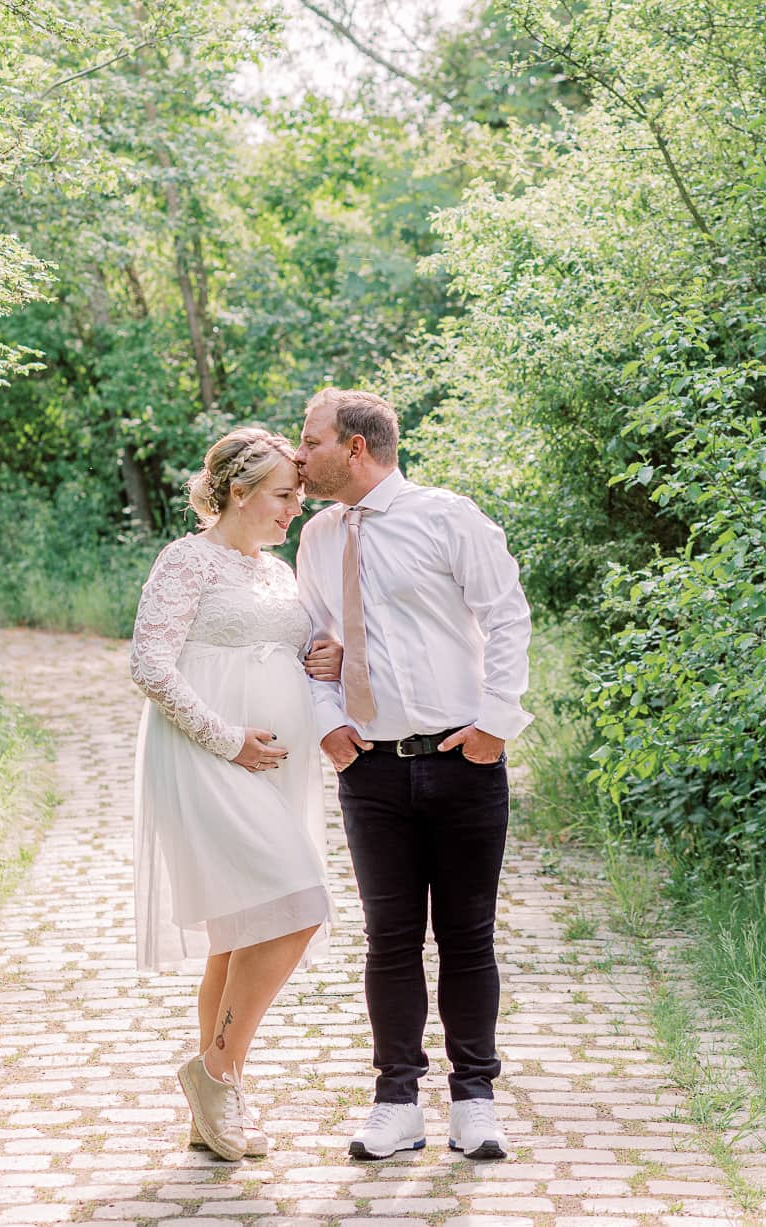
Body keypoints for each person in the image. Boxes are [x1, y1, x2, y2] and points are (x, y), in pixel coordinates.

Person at [295, 388, 531, 1164]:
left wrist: (496, 723)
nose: (301, 456)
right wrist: (327, 722)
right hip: (370, 769)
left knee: (468, 937)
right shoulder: (319, 537)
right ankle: (396, 1101)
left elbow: (506, 615)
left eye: (311, 440)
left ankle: (475, 1101)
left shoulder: (447, 516)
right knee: (388, 940)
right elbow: (313, 640)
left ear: (355, 447)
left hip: (461, 760)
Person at [128, 427, 341, 1162]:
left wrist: (323, 653)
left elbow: (298, 648)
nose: (294, 509)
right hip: (205, 754)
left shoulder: (278, 573)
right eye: (284, 495)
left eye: (299, 495)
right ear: (240, 491)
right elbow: (150, 663)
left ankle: (218, 1101)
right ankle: (214, 1068)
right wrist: (228, 738)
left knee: (242, 928)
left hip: (273, 766)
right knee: (300, 902)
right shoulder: (187, 559)